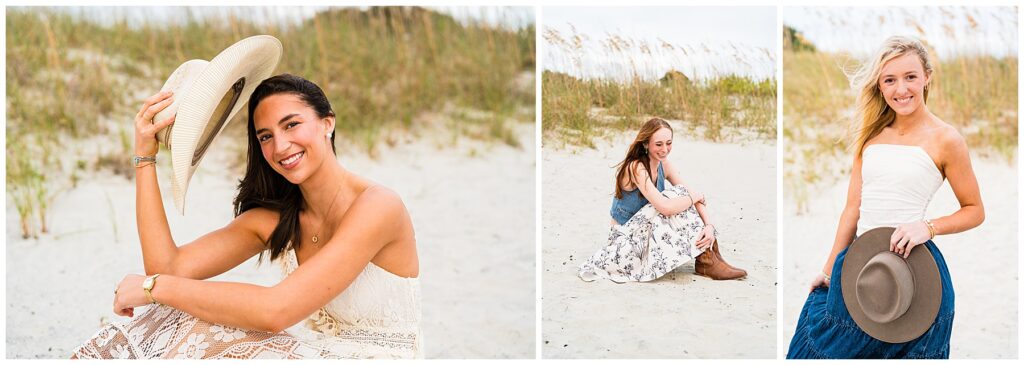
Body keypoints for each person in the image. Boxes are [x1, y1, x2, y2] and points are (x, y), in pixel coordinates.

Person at [72, 74, 423, 359]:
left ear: (327, 123)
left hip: (378, 357)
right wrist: (145, 159)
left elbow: (276, 311)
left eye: (292, 125)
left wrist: (154, 288)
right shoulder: (276, 220)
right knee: (176, 314)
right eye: (266, 136)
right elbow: (167, 266)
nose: (280, 146)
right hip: (323, 352)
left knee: (175, 302)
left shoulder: (379, 206)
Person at [787, 36, 984, 359]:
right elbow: (853, 210)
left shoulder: (947, 140)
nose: (901, 89)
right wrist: (826, 270)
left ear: (927, 77)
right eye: (889, 80)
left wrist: (928, 227)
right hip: (863, 268)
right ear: (879, 86)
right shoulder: (871, 136)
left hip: (916, 273)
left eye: (910, 77)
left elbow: (975, 210)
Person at [578, 117, 746, 282]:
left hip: (645, 231)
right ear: (646, 144)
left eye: (669, 143)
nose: (665, 149)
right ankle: (706, 261)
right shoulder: (636, 167)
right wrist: (694, 196)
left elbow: (693, 196)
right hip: (625, 240)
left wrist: (709, 226)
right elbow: (667, 206)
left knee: (681, 195)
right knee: (674, 197)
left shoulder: (664, 165)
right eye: (659, 144)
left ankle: (710, 256)